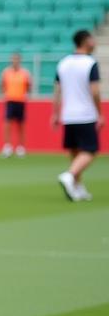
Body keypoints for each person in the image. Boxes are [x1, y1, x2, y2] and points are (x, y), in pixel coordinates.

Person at [53, 29, 102, 202]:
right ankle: (70, 175)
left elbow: (57, 90)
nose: (94, 42)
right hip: (86, 114)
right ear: (85, 40)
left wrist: (55, 113)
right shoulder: (90, 63)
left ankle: (77, 187)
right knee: (90, 150)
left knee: (75, 152)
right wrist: (100, 113)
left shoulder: (63, 63)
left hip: (68, 115)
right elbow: (95, 91)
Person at [0, 52, 31, 157]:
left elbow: (28, 86)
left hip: (21, 101)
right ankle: (7, 146)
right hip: (10, 100)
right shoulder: (6, 72)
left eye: (17, 59)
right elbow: (3, 85)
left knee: (21, 124)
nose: (15, 61)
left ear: (20, 60)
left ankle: (21, 147)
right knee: (7, 124)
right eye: (13, 59)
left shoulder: (25, 73)